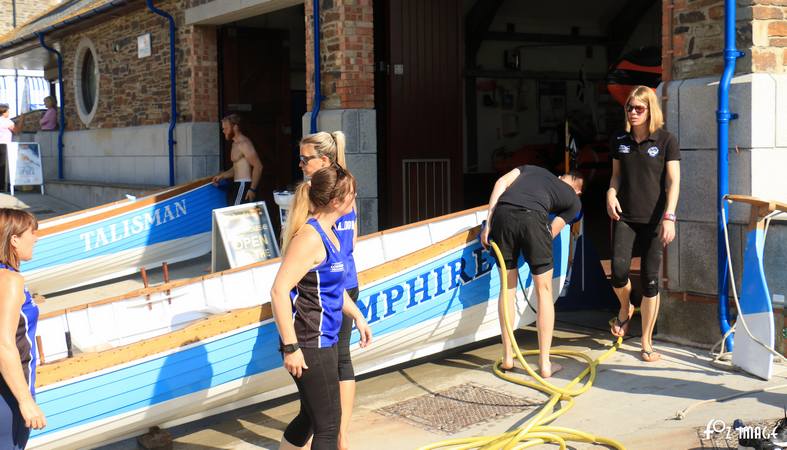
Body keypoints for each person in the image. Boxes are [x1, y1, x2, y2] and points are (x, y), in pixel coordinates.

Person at [270, 165, 372, 450]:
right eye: (352, 193)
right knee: (328, 424)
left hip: (324, 337)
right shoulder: (310, 238)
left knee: (312, 417)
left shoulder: (331, 234)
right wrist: (291, 348)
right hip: (308, 341)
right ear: (337, 202)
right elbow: (278, 291)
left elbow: (333, 289)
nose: (355, 197)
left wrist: (359, 318)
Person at [481, 165, 583, 378]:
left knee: (507, 288)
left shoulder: (530, 169)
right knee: (543, 290)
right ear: (578, 190)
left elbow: (500, 182)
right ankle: (545, 364)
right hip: (534, 218)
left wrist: (489, 224)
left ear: (559, 177)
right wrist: (532, 243)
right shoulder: (574, 201)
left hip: (503, 214)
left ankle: (508, 357)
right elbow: (550, 233)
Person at [606, 85, 680, 363]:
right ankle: (626, 308)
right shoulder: (619, 139)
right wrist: (610, 193)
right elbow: (616, 176)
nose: (633, 112)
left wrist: (669, 216)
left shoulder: (666, 140)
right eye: (629, 107)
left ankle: (646, 341)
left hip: (654, 220)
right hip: (625, 216)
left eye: (639, 108)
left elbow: (673, 182)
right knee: (618, 272)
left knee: (650, 281)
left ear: (651, 110)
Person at [297, 131, 358, 450]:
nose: (302, 165)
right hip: (338, 284)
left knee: (322, 414)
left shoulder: (322, 197)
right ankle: (337, 436)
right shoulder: (345, 191)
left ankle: (338, 436)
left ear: (325, 161)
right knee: (321, 409)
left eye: (306, 159)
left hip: (331, 289)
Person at [0, 208, 46, 449]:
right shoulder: (9, 280)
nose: (36, 237)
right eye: (32, 231)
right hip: (8, 396)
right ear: (14, 239)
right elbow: (3, 343)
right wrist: (25, 401)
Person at [211, 114, 263, 206]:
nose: (223, 131)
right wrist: (222, 176)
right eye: (223, 129)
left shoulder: (244, 143)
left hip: (244, 185)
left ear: (235, 127)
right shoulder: (234, 144)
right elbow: (236, 169)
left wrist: (252, 189)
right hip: (238, 185)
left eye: (226, 128)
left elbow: (258, 166)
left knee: (236, 216)